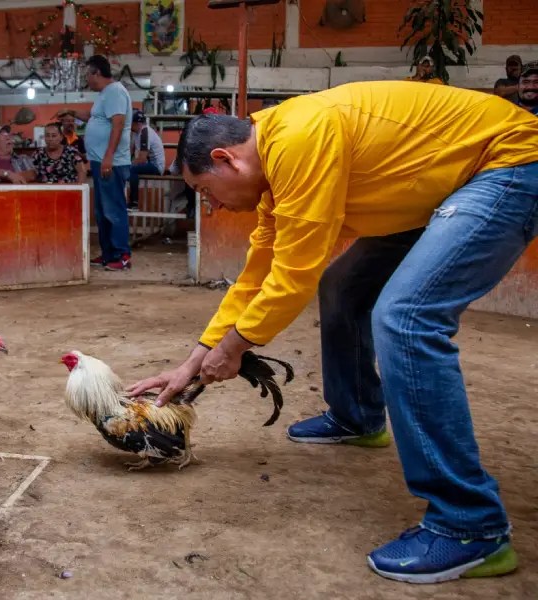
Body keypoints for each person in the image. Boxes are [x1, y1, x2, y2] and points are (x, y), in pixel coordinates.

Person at [129, 81, 538, 584]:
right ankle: (358, 416)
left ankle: (470, 526)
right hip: (442, 182)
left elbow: (292, 276)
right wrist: (194, 359)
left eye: (205, 191)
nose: (211, 205)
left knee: (406, 317)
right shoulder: (275, 166)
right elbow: (258, 273)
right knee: (343, 287)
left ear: (226, 159)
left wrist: (235, 349)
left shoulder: (299, 139)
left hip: (507, 164)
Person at [63, 55, 133, 271]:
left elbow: (118, 125)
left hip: (110, 162)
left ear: (96, 73)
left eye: (87, 75)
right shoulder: (104, 95)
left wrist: (109, 157)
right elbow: (94, 117)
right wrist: (71, 112)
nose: (87, 79)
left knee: (114, 209)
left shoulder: (115, 91)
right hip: (99, 161)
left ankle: (122, 255)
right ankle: (108, 253)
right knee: (102, 212)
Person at [128, 109, 165, 210]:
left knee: (132, 169)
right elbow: (130, 152)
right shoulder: (135, 133)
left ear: (136, 123)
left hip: (156, 166)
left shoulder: (145, 132)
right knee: (125, 169)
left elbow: (142, 159)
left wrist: (130, 165)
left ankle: (134, 202)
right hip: (149, 164)